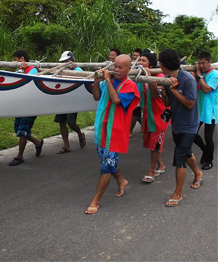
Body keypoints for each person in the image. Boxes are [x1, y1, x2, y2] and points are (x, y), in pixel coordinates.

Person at [85, 54, 140, 214]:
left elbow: (116, 100)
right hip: (102, 130)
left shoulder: (130, 86)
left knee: (106, 167)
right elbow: (96, 97)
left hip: (114, 134)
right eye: (114, 66)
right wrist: (96, 82)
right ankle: (122, 181)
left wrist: (108, 80)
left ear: (129, 69)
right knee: (107, 161)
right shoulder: (107, 81)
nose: (115, 70)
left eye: (120, 67)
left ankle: (95, 201)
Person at [159, 48, 203, 207]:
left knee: (179, 156)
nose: (159, 65)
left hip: (190, 125)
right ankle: (198, 173)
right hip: (177, 123)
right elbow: (167, 104)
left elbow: (190, 104)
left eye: (160, 63)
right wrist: (163, 91)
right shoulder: (166, 78)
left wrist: (174, 90)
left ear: (164, 65)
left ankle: (178, 193)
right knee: (186, 153)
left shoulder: (187, 80)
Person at [8, 50, 44, 166]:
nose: (13, 62)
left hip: (31, 105)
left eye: (15, 60)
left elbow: (27, 83)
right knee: (17, 129)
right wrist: (12, 70)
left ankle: (20, 156)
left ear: (22, 59)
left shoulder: (32, 69)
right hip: (21, 104)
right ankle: (37, 143)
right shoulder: (20, 70)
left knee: (22, 130)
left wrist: (21, 70)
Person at [140, 51, 169, 182]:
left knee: (155, 143)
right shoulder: (141, 76)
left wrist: (151, 82)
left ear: (151, 64)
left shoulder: (160, 76)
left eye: (143, 61)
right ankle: (161, 165)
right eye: (139, 60)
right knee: (152, 143)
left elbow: (156, 95)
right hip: (149, 115)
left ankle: (151, 170)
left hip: (160, 115)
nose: (140, 63)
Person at [54, 51, 86, 154]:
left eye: (66, 61)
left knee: (71, 124)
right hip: (62, 99)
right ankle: (66, 146)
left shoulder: (78, 70)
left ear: (71, 60)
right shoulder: (61, 70)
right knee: (61, 122)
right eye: (63, 61)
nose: (65, 63)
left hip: (73, 100)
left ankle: (80, 135)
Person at [193, 51, 218, 170]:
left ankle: (209, 160)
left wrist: (200, 76)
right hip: (199, 109)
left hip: (211, 111)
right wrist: (197, 75)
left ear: (210, 62)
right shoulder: (200, 74)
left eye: (203, 63)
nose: (201, 66)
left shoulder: (215, 74)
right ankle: (205, 150)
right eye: (199, 63)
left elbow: (207, 89)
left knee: (208, 137)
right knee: (192, 133)